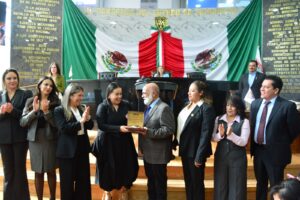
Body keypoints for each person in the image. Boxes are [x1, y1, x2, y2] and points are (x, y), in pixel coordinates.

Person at [250, 75, 300, 200]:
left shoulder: (287, 106)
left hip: (276, 153)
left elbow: (294, 130)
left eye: (266, 87)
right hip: (258, 151)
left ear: (276, 90)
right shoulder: (255, 104)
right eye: (262, 86)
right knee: (260, 184)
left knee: (276, 185)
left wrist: (279, 142)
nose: (262, 89)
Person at [94, 82, 138, 200]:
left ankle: (124, 189)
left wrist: (131, 121)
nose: (119, 96)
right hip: (107, 142)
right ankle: (107, 191)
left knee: (126, 164)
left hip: (124, 142)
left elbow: (135, 123)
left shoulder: (127, 105)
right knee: (107, 167)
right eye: (116, 94)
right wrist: (118, 128)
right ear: (109, 95)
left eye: (121, 94)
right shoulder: (102, 106)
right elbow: (101, 125)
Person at [20, 76, 60, 200]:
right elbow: (22, 122)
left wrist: (47, 112)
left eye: (51, 86)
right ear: (39, 85)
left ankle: (53, 197)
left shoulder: (56, 102)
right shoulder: (30, 101)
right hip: (35, 140)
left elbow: (57, 125)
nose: (48, 87)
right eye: (46, 84)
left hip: (50, 139)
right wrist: (34, 111)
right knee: (38, 172)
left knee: (51, 171)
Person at [54, 84, 94, 200]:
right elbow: (64, 128)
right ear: (70, 96)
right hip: (67, 151)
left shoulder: (81, 108)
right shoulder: (59, 110)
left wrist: (88, 118)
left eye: (82, 95)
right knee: (67, 183)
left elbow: (90, 126)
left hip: (82, 147)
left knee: (83, 181)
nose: (81, 98)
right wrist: (81, 121)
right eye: (79, 95)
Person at [136, 82, 175, 200]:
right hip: (147, 154)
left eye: (144, 93)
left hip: (159, 156)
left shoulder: (164, 108)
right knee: (151, 184)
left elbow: (169, 130)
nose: (142, 95)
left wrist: (149, 132)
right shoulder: (148, 107)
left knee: (159, 187)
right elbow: (144, 128)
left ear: (154, 93)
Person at [177, 80, 215, 200]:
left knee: (197, 184)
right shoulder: (187, 106)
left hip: (196, 152)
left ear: (201, 93)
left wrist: (199, 155)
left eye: (193, 90)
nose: (189, 93)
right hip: (185, 150)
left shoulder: (206, 108)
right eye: (189, 91)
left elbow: (205, 134)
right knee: (189, 183)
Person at [0, 68, 32, 200]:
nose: (12, 80)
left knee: (20, 170)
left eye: (14, 78)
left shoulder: (25, 94)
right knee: (8, 172)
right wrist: (2, 113)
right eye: (9, 78)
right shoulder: (0, 95)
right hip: (3, 139)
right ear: (4, 81)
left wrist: (12, 110)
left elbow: (26, 117)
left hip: (20, 138)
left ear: (18, 80)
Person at [212, 95, 250, 200]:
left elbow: (243, 141)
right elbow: (213, 138)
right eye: (228, 105)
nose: (229, 108)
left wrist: (231, 135)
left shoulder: (244, 121)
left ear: (238, 107)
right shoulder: (218, 119)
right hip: (221, 157)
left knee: (237, 187)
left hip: (237, 158)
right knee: (220, 186)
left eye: (233, 106)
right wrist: (221, 135)